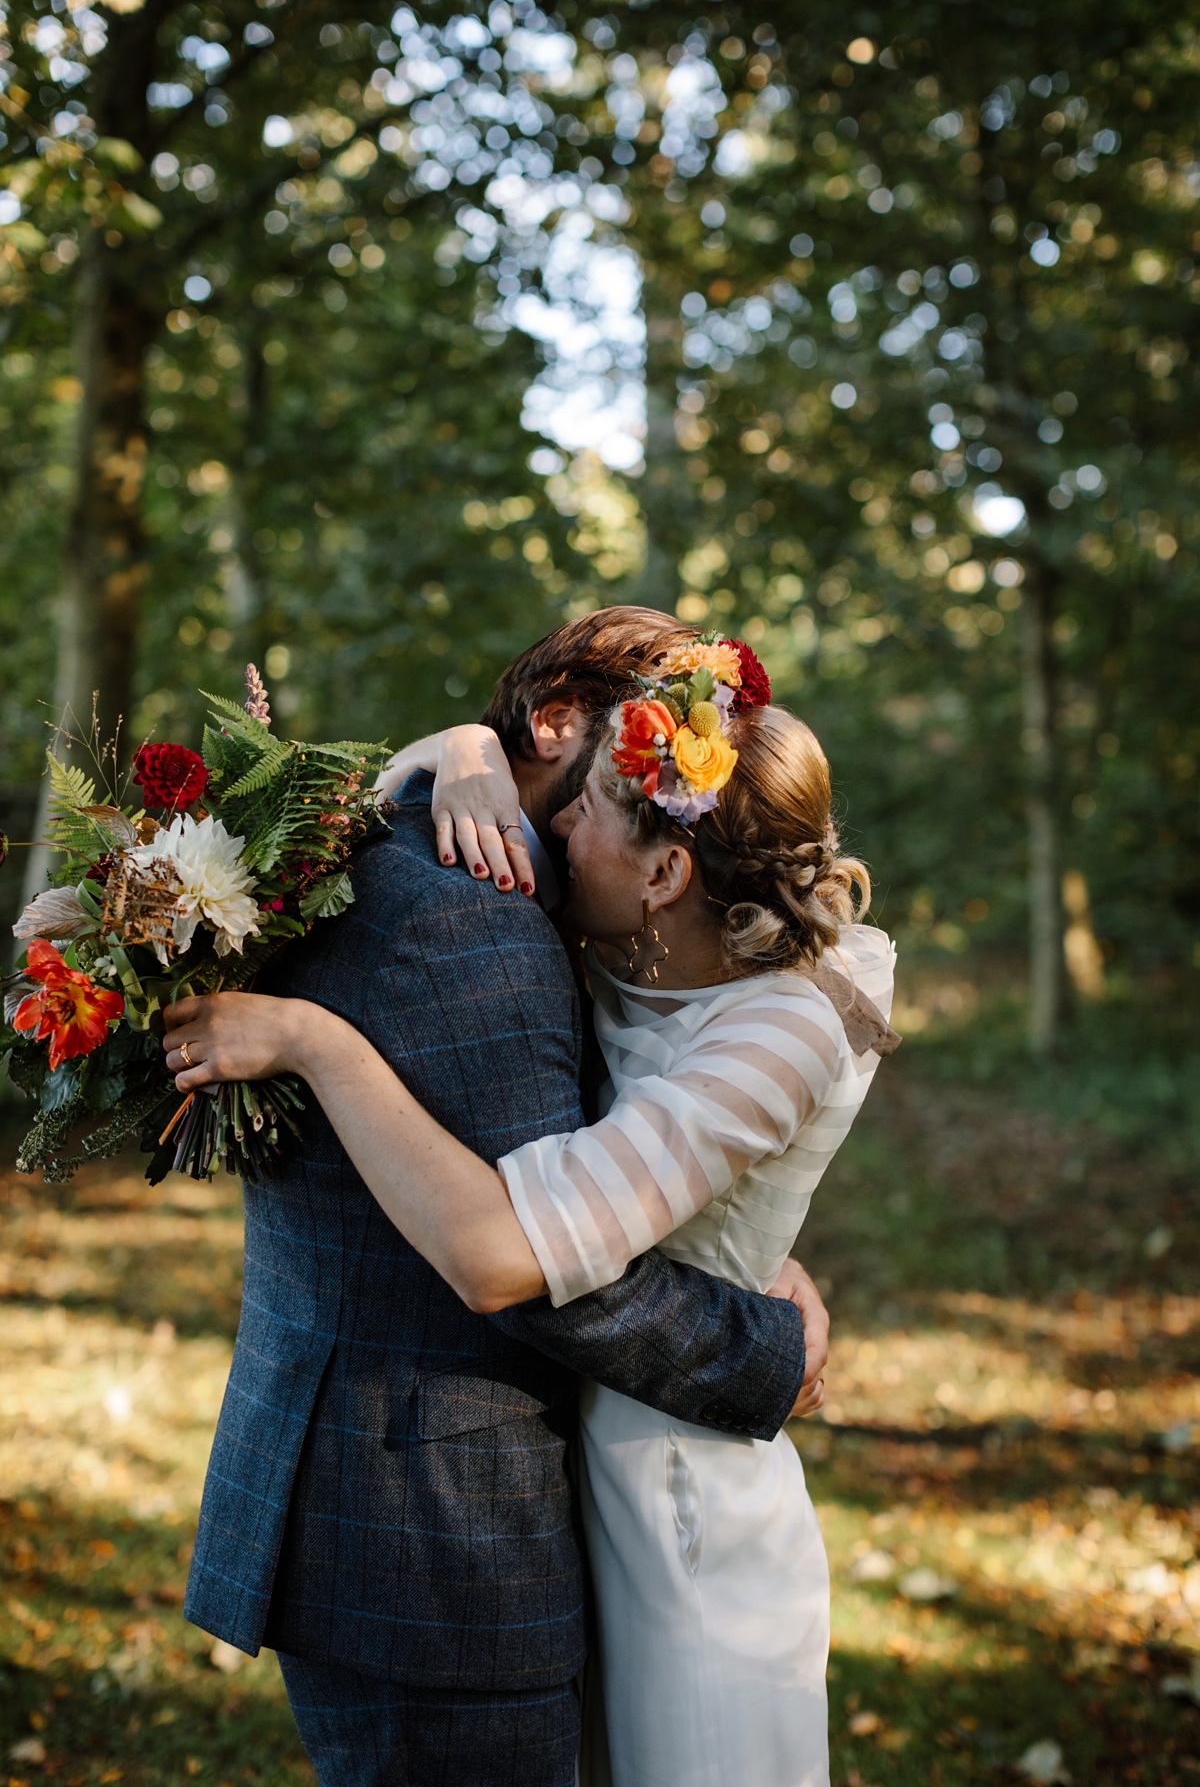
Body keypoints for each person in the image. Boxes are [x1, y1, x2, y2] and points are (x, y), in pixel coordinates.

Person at [166, 634, 896, 1787]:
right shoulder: (580, 931)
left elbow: (504, 1252)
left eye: (598, 804)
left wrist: (316, 1045)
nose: (552, 826)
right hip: (522, 1493)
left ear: (665, 873)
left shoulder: (770, 1018)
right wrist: (457, 746)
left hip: (673, 1500)